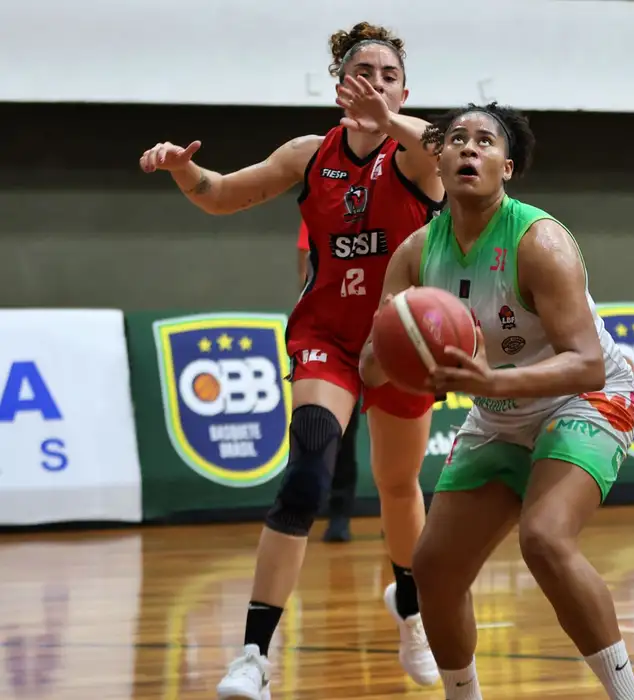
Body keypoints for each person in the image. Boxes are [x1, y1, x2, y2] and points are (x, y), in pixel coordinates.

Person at [138, 22, 445, 698]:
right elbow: (222, 193)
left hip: (398, 345)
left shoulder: (416, 158)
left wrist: (389, 121)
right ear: (340, 87)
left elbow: (443, 146)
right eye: (364, 72)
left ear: (404, 92)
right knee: (306, 476)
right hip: (326, 341)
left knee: (398, 485)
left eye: (390, 76)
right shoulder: (310, 155)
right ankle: (253, 656)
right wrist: (184, 170)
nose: (377, 83)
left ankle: (411, 612)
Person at [351, 99, 634, 700]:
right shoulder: (415, 253)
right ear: (438, 159)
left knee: (545, 539)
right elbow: (370, 367)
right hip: (500, 414)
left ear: (506, 168)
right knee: (433, 569)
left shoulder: (540, 241)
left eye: (486, 141)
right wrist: (398, 350)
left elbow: (586, 363)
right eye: (457, 138)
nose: (469, 147)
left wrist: (490, 383)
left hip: (586, 399)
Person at [296, 219, 361, 543]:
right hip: (336, 337)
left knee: (398, 431)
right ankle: (339, 512)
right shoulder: (321, 205)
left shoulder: (398, 203)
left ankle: (398, 511)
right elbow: (305, 272)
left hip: (386, 325)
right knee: (338, 433)